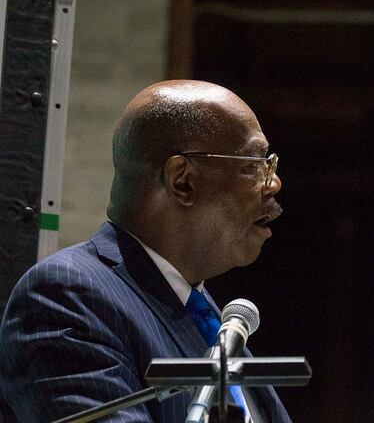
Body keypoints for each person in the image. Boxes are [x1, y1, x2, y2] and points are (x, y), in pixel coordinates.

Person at [0, 80, 291, 422]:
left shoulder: (207, 314)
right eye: (254, 165)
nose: (273, 183)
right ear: (182, 180)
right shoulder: (67, 297)